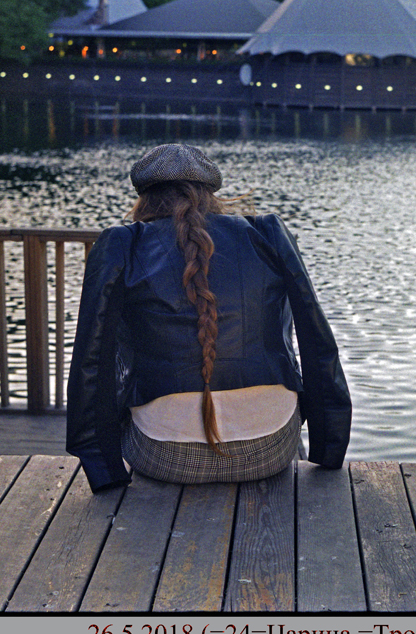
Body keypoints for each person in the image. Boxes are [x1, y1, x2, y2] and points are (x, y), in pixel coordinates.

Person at [66, 144, 351, 489]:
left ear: (144, 199)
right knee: (292, 432)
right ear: (211, 194)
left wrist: (102, 467)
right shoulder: (268, 233)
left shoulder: (122, 244)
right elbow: (316, 339)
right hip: (270, 448)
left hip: (165, 455)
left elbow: (92, 357)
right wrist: (331, 444)